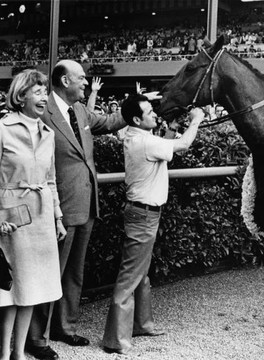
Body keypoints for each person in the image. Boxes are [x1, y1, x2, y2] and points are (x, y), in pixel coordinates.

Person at [26, 60, 160, 360]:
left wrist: (137, 106)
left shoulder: (81, 111)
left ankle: (66, 327)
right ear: (63, 81)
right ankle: (37, 338)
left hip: (86, 204)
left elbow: (111, 122)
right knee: (50, 273)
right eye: (82, 79)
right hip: (56, 206)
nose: (86, 83)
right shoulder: (42, 111)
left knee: (74, 272)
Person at [101, 95, 204, 354]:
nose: (155, 115)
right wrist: (197, 120)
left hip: (144, 213)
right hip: (143, 214)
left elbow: (165, 142)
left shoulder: (138, 137)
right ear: (137, 119)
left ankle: (142, 324)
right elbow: (183, 144)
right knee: (130, 277)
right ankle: (116, 340)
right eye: (149, 112)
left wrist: (171, 128)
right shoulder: (145, 141)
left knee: (140, 273)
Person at [0, 69, 66, 360]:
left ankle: (19, 353)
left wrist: (58, 217)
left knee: (34, 287)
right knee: (12, 289)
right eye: (37, 91)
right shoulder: (2, 128)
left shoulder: (48, 133)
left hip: (40, 217)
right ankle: (4, 353)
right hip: (11, 217)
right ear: (21, 95)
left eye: (45, 92)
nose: (44, 97)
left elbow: (50, 179)